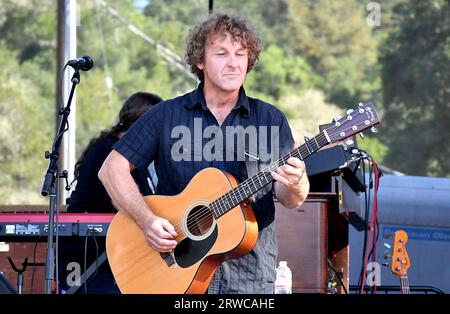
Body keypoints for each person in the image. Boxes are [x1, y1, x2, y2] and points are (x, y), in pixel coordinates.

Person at [99, 12, 310, 294]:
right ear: (200, 61)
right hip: (175, 274)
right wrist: (146, 220)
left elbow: (289, 199)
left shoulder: (270, 119)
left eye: (240, 54)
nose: (233, 63)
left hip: (248, 278)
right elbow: (111, 169)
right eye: (221, 53)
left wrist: (296, 182)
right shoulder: (167, 115)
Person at [59, 92, 163, 294]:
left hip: (111, 252)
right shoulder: (109, 151)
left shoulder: (129, 154)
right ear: (144, 126)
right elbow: (124, 202)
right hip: (90, 255)